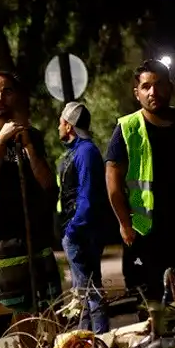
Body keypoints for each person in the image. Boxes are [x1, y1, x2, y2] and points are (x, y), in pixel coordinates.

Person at [105, 60, 175, 304]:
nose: (153, 92)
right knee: (152, 304)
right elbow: (112, 181)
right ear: (137, 92)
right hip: (146, 234)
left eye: (159, 85)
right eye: (146, 86)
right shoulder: (128, 128)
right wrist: (124, 224)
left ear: (170, 87)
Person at [0, 71, 62, 313]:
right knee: (12, 314)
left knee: (51, 309)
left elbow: (47, 183)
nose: (0, 98)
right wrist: (0, 141)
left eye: (6, 91)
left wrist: (29, 148)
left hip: (35, 236)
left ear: (15, 96)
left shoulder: (32, 135)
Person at [56, 101, 111, 333]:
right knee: (84, 290)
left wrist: (72, 231)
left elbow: (87, 196)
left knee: (89, 290)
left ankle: (99, 339)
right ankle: (89, 341)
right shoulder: (79, 152)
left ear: (68, 126)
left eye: (61, 122)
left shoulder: (85, 152)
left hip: (82, 232)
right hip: (81, 231)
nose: (58, 126)